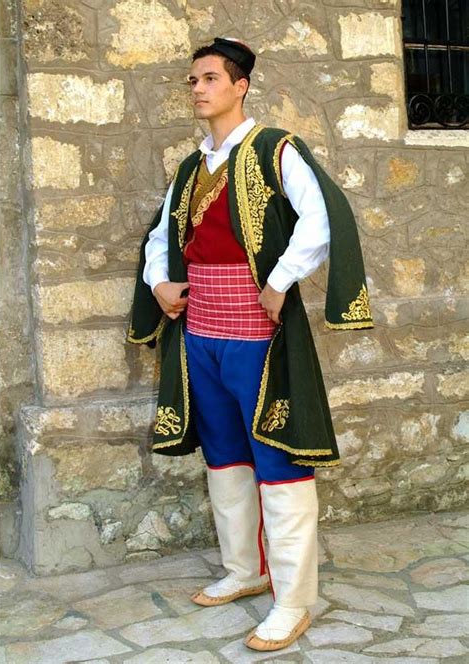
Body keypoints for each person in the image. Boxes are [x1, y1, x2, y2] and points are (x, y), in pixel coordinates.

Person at [127, 37, 373, 652]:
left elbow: (321, 217)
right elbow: (161, 234)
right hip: (202, 331)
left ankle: (293, 601)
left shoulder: (275, 148)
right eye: (192, 80)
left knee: (279, 461)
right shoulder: (190, 168)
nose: (198, 88)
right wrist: (159, 283)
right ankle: (244, 570)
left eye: (209, 78)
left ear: (240, 86)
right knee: (225, 456)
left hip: (260, 332)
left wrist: (281, 280)